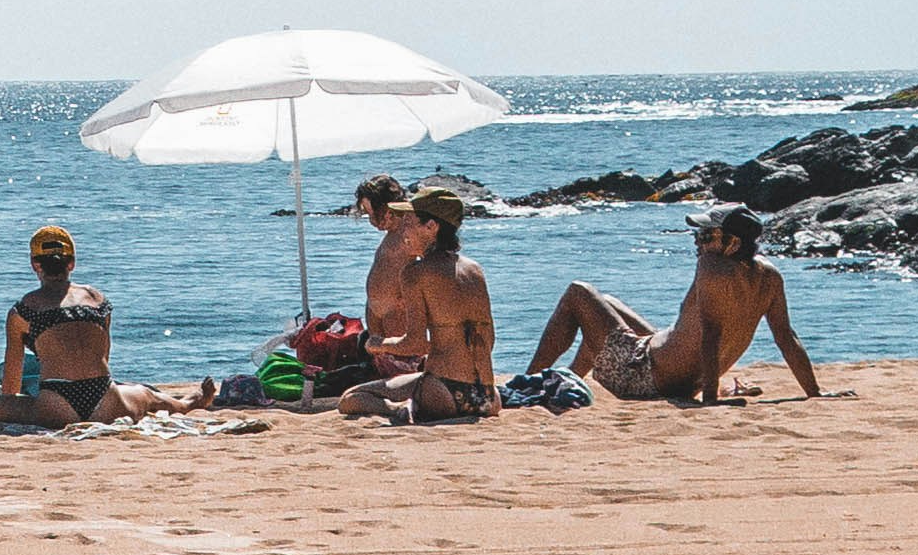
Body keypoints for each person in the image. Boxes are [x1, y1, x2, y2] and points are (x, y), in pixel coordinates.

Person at [0, 226, 221, 427]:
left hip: (58, 405)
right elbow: (103, 358)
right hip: (106, 399)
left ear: (34, 265)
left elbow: (11, 381)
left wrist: (6, 404)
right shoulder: (97, 299)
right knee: (148, 396)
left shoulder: (26, 309)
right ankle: (191, 402)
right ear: (71, 263)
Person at [527, 212, 823, 406]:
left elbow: (711, 333)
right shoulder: (769, 276)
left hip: (642, 375)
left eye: (707, 236)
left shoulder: (712, 267)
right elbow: (786, 337)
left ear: (732, 243)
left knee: (578, 293)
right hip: (674, 376)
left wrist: (709, 399)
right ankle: (568, 381)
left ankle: (529, 384)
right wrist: (815, 394)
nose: (697, 241)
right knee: (608, 304)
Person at [340, 186, 496, 421]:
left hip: (444, 393)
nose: (404, 229)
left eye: (410, 221)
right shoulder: (474, 270)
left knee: (352, 397)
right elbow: (488, 338)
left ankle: (399, 410)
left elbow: (415, 343)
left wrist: (378, 344)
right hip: (488, 396)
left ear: (431, 227)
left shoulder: (416, 273)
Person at [352, 175, 426, 384]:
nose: (372, 221)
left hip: (397, 309)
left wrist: (412, 297)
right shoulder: (392, 235)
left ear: (390, 208)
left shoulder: (408, 230)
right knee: (383, 362)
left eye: (374, 214)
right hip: (377, 310)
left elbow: (428, 265)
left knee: (403, 361)